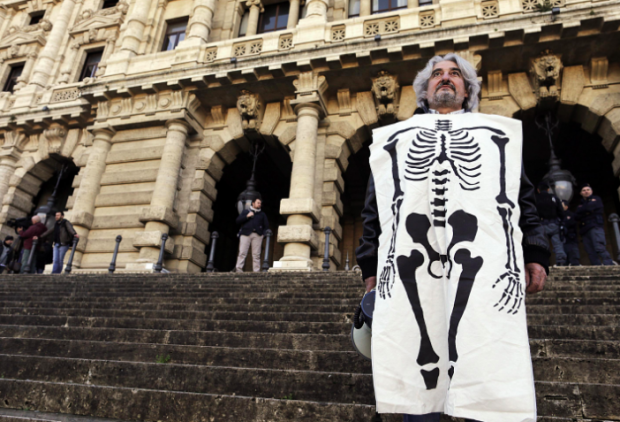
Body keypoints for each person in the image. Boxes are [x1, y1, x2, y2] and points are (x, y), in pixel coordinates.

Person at [356, 53, 549, 422]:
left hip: (478, 257)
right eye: (437, 74)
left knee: (485, 352)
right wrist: (370, 265)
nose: (445, 78)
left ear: (467, 89)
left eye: (455, 74)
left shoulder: (495, 137)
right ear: (425, 90)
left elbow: (519, 197)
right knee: (418, 372)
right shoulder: (395, 140)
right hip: (413, 257)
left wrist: (535, 251)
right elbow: (376, 206)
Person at [574, 183, 614, 265]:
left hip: (595, 226)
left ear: (591, 191)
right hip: (585, 230)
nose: (586, 191)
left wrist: (583, 210)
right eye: (584, 190)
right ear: (581, 193)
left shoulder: (596, 199)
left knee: (599, 247)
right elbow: (576, 216)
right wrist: (586, 210)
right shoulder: (580, 205)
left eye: (588, 190)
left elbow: (589, 208)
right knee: (590, 251)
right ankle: (596, 266)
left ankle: (608, 264)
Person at [535, 182, 567, 266]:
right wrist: (562, 222)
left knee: (542, 245)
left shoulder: (535, 198)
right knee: (558, 244)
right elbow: (561, 212)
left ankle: (543, 263)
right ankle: (561, 261)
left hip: (541, 224)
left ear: (538, 190)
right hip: (554, 224)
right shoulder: (554, 198)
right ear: (548, 189)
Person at [235, 198, 269, 272]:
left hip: (257, 235)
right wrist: (247, 216)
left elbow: (266, 226)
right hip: (245, 234)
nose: (259, 204)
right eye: (258, 203)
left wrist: (263, 235)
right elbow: (238, 221)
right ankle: (239, 269)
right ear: (253, 203)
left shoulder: (262, 214)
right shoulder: (246, 211)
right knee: (242, 252)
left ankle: (256, 271)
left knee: (256, 254)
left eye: (260, 203)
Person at [561, 200, 581, 266]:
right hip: (562, 239)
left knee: (573, 256)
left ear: (566, 207)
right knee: (564, 260)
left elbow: (570, 223)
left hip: (571, 238)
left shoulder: (570, 215)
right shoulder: (558, 216)